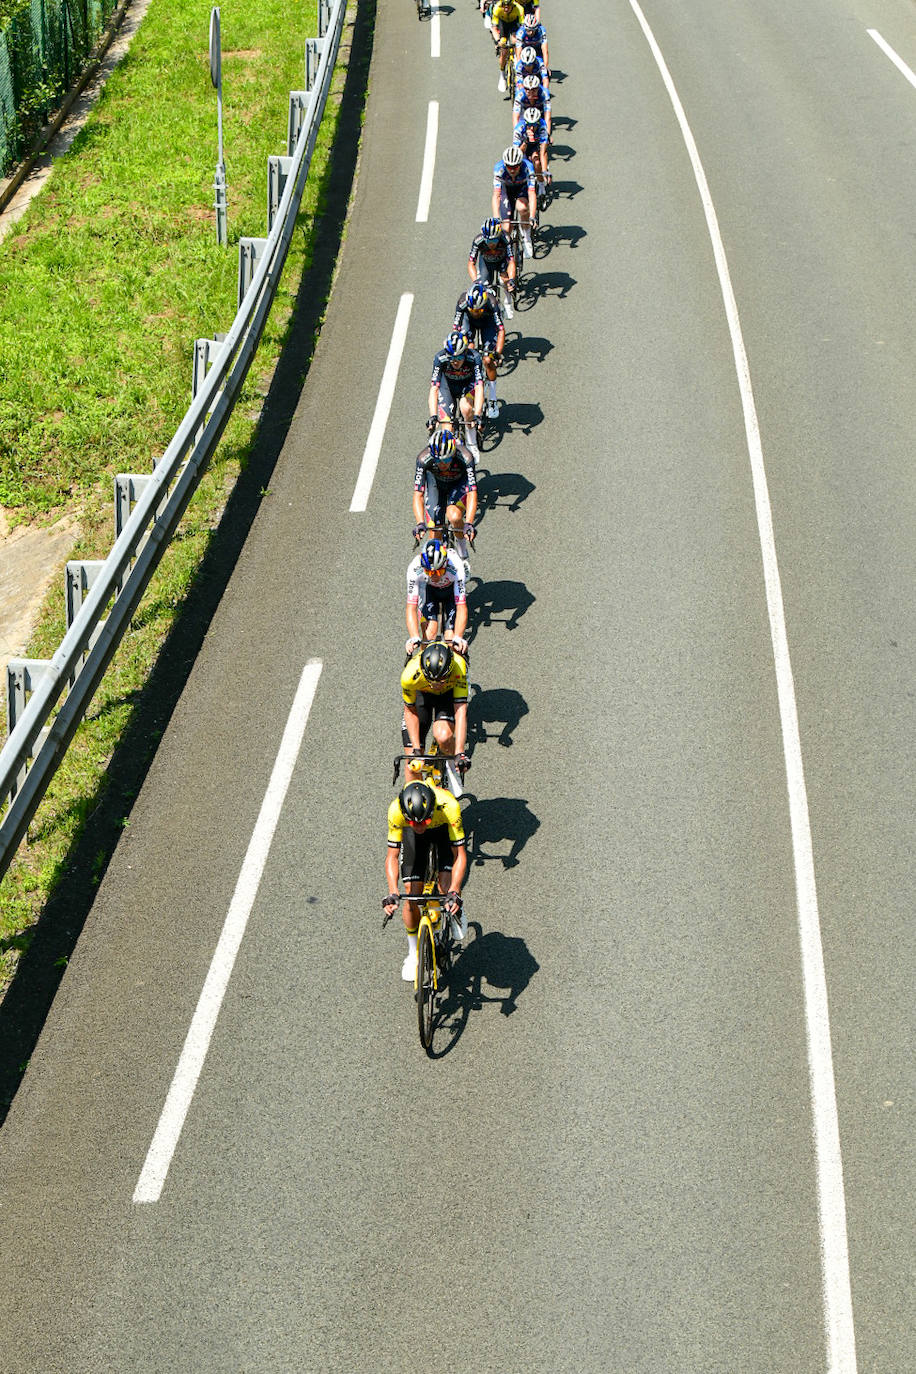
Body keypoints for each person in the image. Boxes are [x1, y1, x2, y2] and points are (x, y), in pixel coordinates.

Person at [383, 780, 468, 980]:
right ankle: (413, 954)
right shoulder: (396, 810)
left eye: (424, 821)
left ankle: (455, 909)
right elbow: (392, 857)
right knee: (412, 896)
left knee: (445, 886)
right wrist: (392, 892)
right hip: (412, 839)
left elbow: (460, 856)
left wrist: (455, 891)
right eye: (414, 822)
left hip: (443, 830)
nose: (420, 826)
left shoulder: (449, 806)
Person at [400, 638, 469, 792]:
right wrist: (417, 750)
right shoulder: (409, 675)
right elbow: (410, 712)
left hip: (447, 696)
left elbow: (460, 711)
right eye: (432, 680)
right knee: (413, 765)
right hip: (421, 695)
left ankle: (451, 767)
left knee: (443, 736)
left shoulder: (459, 668)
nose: (437, 684)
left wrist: (459, 752)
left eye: (442, 679)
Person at [412, 428, 477, 567]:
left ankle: (462, 553)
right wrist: (419, 523)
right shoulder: (423, 459)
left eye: (446, 459)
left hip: (458, 484)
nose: (442, 464)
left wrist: (469, 523)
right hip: (436, 484)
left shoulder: (466, 457)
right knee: (434, 529)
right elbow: (418, 494)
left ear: (453, 453)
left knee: (454, 516)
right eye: (438, 460)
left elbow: (472, 493)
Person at [405, 537, 469, 657]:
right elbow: (411, 607)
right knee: (428, 636)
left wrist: (459, 637)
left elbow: (461, 607)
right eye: (429, 572)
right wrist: (413, 637)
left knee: (451, 641)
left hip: (451, 591)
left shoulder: (456, 566)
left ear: (445, 564)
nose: (434, 575)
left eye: (438, 572)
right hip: (429, 591)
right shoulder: (414, 568)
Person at [428, 331, 485, 460]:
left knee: (466, 408)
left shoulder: (474, 358)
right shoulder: (439, 358)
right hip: (447, 387)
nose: (455, 362)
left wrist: (478, 415)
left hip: (467, 384)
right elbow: (434, 389)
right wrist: (433, 416)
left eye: (459, 358)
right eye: (451, 358)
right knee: (447, 428)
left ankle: (472, 443)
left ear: (465, 353)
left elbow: (479, 386)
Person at [453, 281, 505, 419]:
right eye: (473, 310)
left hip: (488, 322)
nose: (475, 312)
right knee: (467, 350)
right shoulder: (463, 302)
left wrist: (498, 353)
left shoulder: (492, 303)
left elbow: (500, 330)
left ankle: (493, 399)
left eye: (478, 310)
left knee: (488, 360)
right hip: (468, 322)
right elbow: (456, 331)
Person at [492, 143, 537, 258]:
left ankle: (526, 237)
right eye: (509, 166)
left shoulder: (528, 168)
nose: (512, 170)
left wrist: (532, 216)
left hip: (522, 188)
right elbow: (496, 195)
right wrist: (496, 218)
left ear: (520, 164)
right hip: (506, 190)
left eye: (515, 167)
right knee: (506, 227)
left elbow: (532, 194)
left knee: (522, 208)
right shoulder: (499, 169)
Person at [468, 217, 516, 319]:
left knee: (504, 280)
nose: (491, 243)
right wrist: (476, 281)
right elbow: (471, 263)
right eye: (488, 240)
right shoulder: (478, 240)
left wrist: (511, 279)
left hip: (502, 260)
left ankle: (508, 302)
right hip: (486, 262)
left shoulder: (505, 238)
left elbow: (511, 261)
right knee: (484, 286)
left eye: (494, 240)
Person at [489, 0, 525, 91]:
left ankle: (517, 62)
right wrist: (498, 42)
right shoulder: (497, 8)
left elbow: (523, 28)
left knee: (515, 40)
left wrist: (520, 40)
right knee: (503, 46)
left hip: (514, 24)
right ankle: (502, 75)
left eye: (508, 6)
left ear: (512, 5)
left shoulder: (519, 9)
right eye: (503, 5)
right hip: (502, 25)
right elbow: (494, 28)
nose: (505, 8)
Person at [514, 106, 550, 195]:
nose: (532, 128)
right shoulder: (519, 128)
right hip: (523, 145)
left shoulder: (542, 125)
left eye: (534, 125)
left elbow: (543, 151)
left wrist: (545, 171)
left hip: (536, 145)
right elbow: (517, 153)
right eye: (529, 125)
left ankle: (541, 185)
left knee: (537, 162)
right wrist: (526, 141)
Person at [513, 69, 552, 141]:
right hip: (524, 109)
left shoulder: (544, 94)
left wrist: (548, 134)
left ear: (538, 88)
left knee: (542, 131)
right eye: (527, 89)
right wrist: (518, 134)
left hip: (539, 108)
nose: (530, 92)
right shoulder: (520, 95)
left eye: (534, 90)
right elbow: (516, 117)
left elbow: (548, 117)